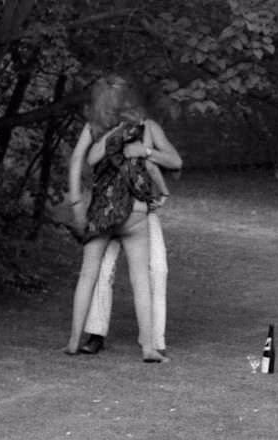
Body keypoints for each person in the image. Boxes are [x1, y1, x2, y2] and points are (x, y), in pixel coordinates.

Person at [62, 74, 181, 362]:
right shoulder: (141, 127)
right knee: (141, 279)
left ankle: (74, 341)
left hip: (102, 212)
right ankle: (149, 348)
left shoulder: (94, 129)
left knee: (88, 275)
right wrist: (161, 191)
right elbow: (156, 169)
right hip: (136, 212)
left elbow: (80, 160)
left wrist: (77, 202)